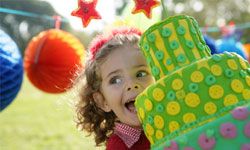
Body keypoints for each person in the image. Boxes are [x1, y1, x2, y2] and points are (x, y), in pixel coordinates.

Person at [73, 27, 155, 149]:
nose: (132, 84)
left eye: (141, 74)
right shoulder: (119, 146)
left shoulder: (174, 121)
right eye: (116, 80)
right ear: (103, 101)